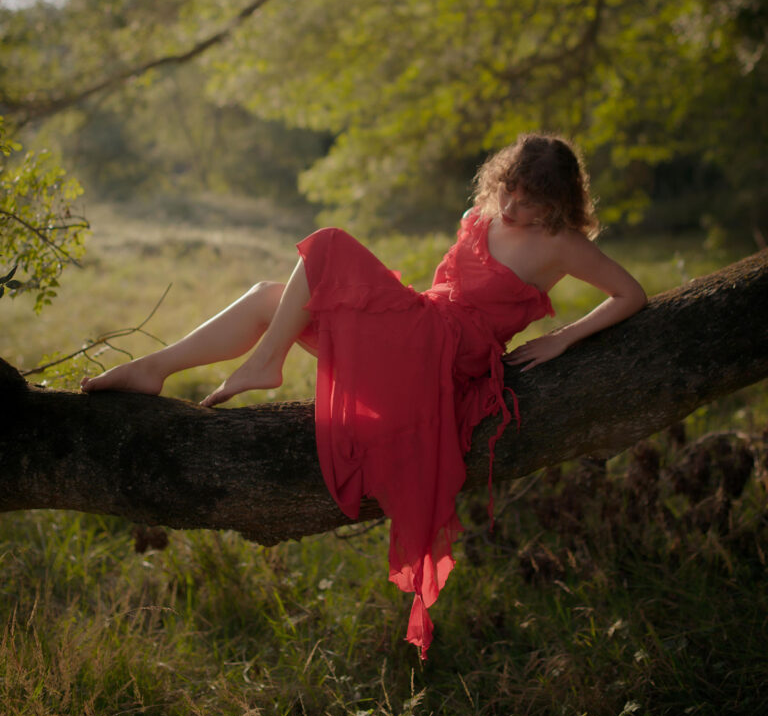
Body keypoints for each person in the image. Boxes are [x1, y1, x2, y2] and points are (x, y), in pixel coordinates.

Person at [81, 133, 646, 656]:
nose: (515, 210)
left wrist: (562, 340)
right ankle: (154, 368)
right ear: (500, 179)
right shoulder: (480, 214)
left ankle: (267, 362)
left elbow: (630, 294)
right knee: (265, 296)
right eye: (510, 191)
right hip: (417, 332)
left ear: (559, 204)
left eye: (533, 203)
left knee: (326, 245)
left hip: (445, 361)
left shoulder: (563, 245)